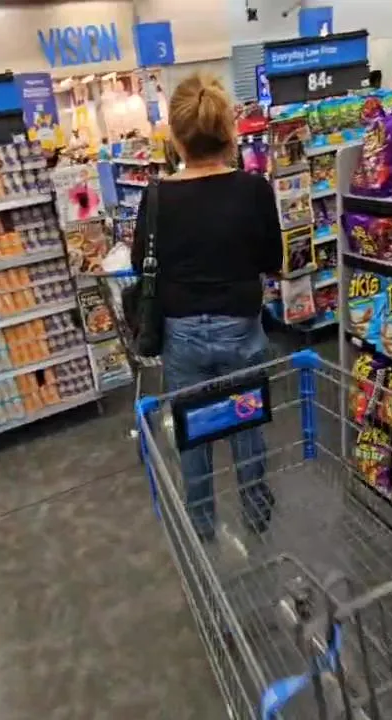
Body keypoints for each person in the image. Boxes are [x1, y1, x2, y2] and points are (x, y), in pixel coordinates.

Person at [131, 72, 279, 541]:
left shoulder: (157, 197)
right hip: (242, 328)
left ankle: (201, 523)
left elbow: (139, 264)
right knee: (246, 419)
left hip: (182, 335)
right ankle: (255, 510)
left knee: (192, 430)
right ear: (228, 132)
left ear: (175, 138)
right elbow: (272, 260)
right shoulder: (254, 190)